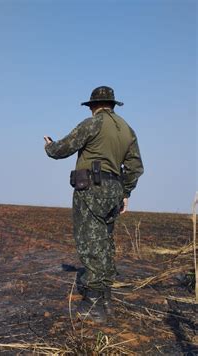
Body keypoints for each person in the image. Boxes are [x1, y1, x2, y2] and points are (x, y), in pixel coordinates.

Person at [44, 86, 144, 323]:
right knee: (105, 243)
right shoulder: (127, 130)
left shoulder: (93, 123)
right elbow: (135, 168)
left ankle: (93, 304)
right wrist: (124, 192)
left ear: (93, 107)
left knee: (90, 243)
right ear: (112, 104)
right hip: (114, 191)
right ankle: (106, 300)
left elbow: (63, 149)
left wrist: (49, 145)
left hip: (91, 189)